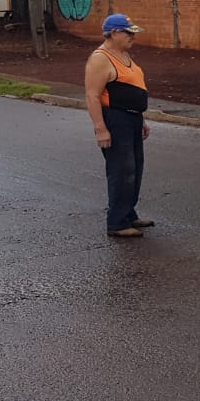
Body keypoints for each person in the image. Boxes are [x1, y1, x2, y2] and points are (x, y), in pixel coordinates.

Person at [83, 13, 153, 238]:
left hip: (132, 119)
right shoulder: (100, 58)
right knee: (121, 171)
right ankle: (117, 222)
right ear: (113, 33)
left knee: (135, 169)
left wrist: (141, 119)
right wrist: (100, 128)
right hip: (115, 120)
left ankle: (128, 213)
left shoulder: (124, 55)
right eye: (128, 32)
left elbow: (133, 89)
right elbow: (92, 96)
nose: (132, 36)